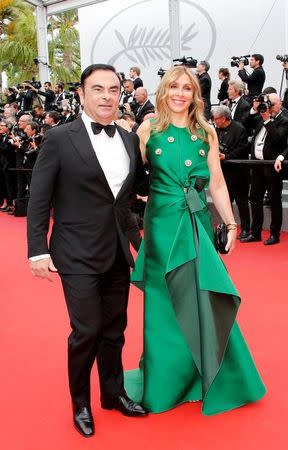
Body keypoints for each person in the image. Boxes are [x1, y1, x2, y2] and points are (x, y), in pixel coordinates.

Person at [125, 65, 266, 416]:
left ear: (195, 95)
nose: (179, 93)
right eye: (173, 86)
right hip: (161, 225)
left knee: (203, 297)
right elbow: (127, 176)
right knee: (164, 301)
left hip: (196, 222)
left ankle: (213, 375)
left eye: (186, 88)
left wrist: (231, 224)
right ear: (163, 90)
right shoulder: (147, 129)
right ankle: (165, 382)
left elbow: (217, 183)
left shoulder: (205, 131)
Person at [27, 63, 149, 438]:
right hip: (75, 251)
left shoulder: (130, 140)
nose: (106, 96)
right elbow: (39, 198)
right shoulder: (60, 138)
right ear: (81, 94)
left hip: (116, 250)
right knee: (87, 330)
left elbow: (132, 196)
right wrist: (37, 250)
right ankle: (80, 403)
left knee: (115, 329)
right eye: (98, 89)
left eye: (113, 89)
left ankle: (113, 394)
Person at [240, 93, 288, 245]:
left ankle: (274, 234)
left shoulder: (284, 121)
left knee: (274, 200)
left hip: (272, 166)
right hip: (257, 165)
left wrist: (267, 119)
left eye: (271, 104)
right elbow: (245, 123)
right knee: (255, 198)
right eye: (267, 104)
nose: (268, 108)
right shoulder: (261, 117)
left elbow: (277, 138)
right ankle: (255, 232)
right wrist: (254, 109)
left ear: (279, 104)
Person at [211, 105, 250, 239]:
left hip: (239, 173)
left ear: (223, 118)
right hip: (223, 173)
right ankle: (226, 227)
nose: (214, 121)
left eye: (216, 119)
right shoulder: (216, 130)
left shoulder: (239, 129)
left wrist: (226, 156)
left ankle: (245, 229)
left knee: (242, 202)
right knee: (225, 202)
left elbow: (243, 148)